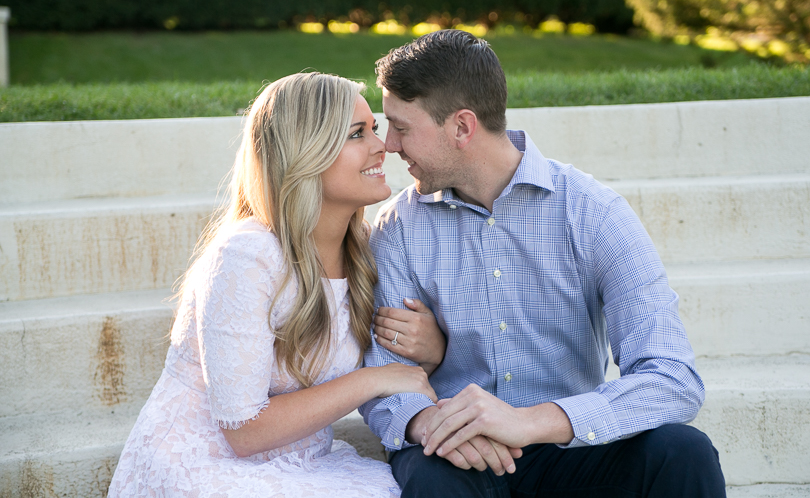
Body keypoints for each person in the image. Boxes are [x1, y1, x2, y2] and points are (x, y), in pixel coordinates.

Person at [362, 30, 727, 497]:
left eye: (402, 127)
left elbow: (673, 379)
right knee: (431, 479)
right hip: (461, 458)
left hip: (570, 448)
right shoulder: (398, 227)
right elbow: (383, 377)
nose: (389, 144)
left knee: (684, 452)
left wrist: (529, 422)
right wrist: (428, 422)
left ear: (461, 127)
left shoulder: (592, 212)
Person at [108, 72, 446, 498]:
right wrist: (372, 380)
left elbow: (399, 377)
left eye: (374, 129)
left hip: (303, 462)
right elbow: (244, 431)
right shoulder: (247, 256)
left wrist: (431, 352)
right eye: (357, 134)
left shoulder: (365, 249)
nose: (383, 146)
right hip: (207, 467)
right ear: (305, 154)